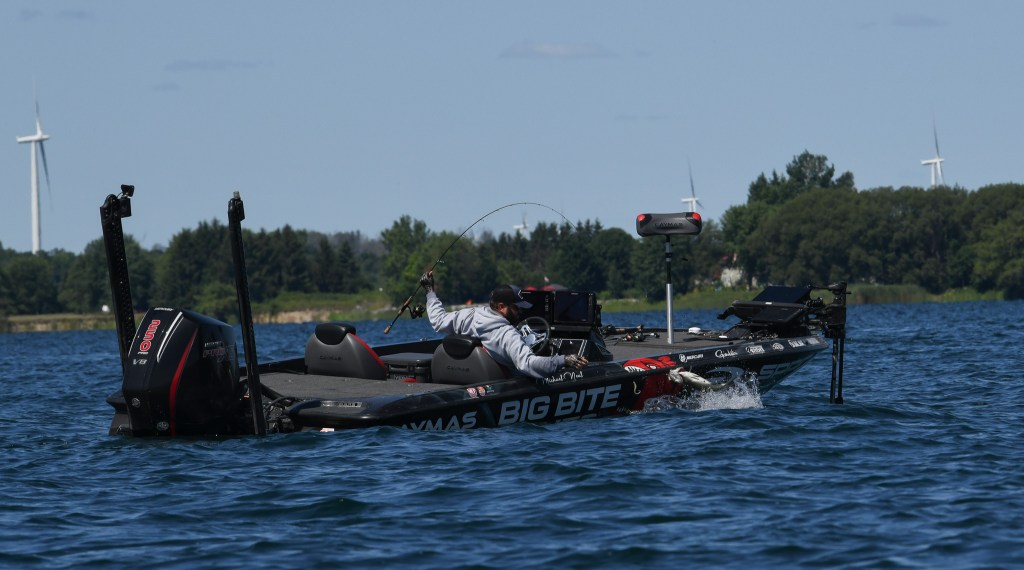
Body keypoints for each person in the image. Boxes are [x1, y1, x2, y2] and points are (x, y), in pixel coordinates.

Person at [421, 271, 588, 378]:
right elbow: (528, 364)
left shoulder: (471, 315)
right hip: (506, 384)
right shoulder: (507, 335)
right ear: (501, 307)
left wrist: (430, 292)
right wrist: (563, 360)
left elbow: (438, 321)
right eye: (516, 308)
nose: (521, 312)